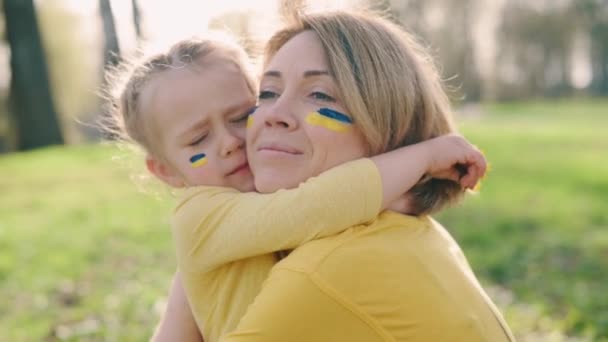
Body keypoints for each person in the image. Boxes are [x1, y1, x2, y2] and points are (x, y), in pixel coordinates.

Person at [105, 36, 487, 342]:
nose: (229, 143)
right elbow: (317, 205)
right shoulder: (201, 215)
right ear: (166, 172)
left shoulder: (253, 208)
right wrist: (422, 157)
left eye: (241, 117)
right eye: (198, 140)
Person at [214, 10, 516, 341]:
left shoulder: (323, 270)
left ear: (390, 129)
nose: (275, 114)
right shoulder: (409, 233)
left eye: (320, 95)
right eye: (268, 93)